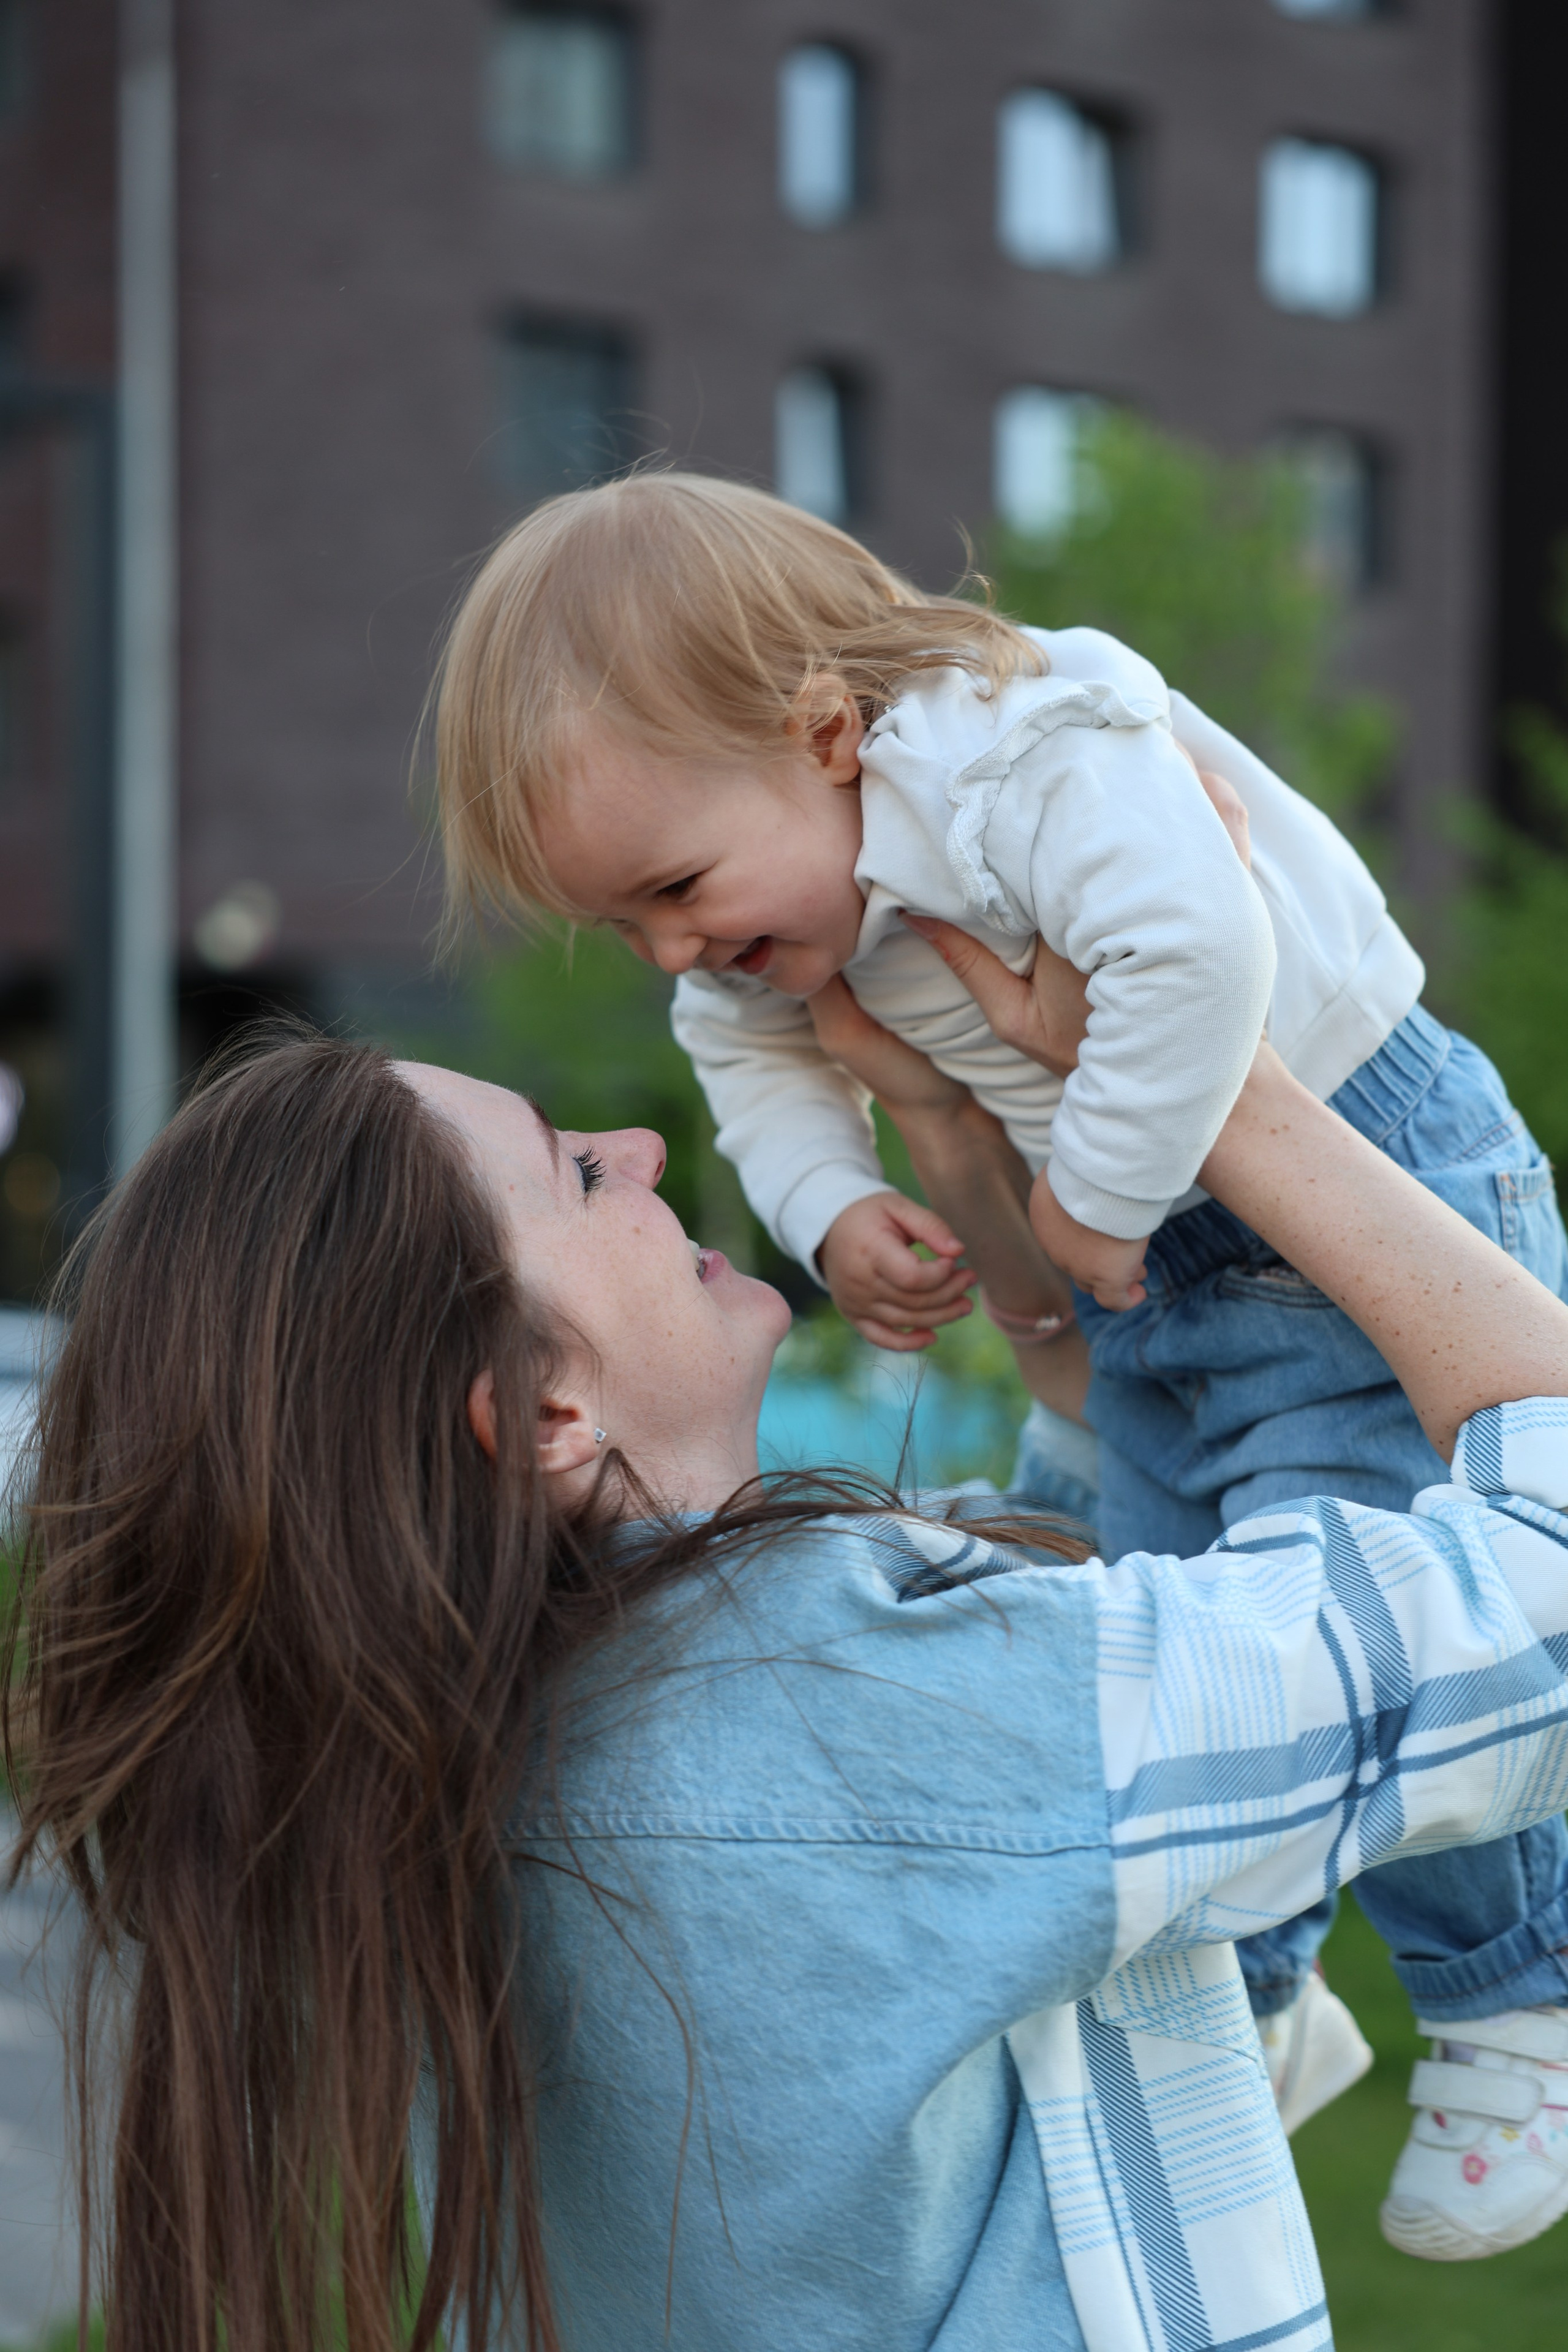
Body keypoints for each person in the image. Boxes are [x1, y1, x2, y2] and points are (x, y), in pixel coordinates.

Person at [12, 930, 1568, 2352]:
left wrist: (960, 1142)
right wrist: (1225, 1082)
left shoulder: (454, 1756)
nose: (627, 1145)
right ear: (546, 1412)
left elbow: (1076, 1575)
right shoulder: (832, 1703)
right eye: (568, 1175)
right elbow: (1532, 1607)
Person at [432, 468, 1568, 2244]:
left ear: (821, 730)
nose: (671, 951)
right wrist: (838, 1214)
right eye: (624, 926)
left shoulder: (1029, 744)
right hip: (1168, 1242)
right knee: (1186, 1580)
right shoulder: (767, 884)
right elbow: (760, 1067)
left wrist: (1096, 1201)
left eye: (673, 889)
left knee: (1384, 1574)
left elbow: (1199, 950)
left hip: (1361, 1156)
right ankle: (1263, 1990)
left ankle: (1516, 1991)